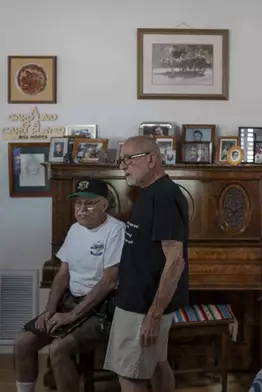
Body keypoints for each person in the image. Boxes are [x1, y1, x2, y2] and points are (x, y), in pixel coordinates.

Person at [14, 179, 124, 392]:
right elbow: (63, 274)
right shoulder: (75, 229)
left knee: (58, 348)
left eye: (89, 204)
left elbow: (108, 281)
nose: (82, 210)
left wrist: (71, 316)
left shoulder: (116, 230)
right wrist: (50, 310)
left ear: (104, 204)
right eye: (78, 204)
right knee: (23, 341)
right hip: (71, 303)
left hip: (101, 310)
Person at [105, 136, 189, 392]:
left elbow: (175, 261)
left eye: (128, 159)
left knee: (130, 376)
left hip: (143, 306)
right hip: (138, 300)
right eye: (121, 160)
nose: (123, 166)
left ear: (151, 159)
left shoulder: (164, 194)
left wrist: (153, 314)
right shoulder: (150, 192)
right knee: (158, 364)